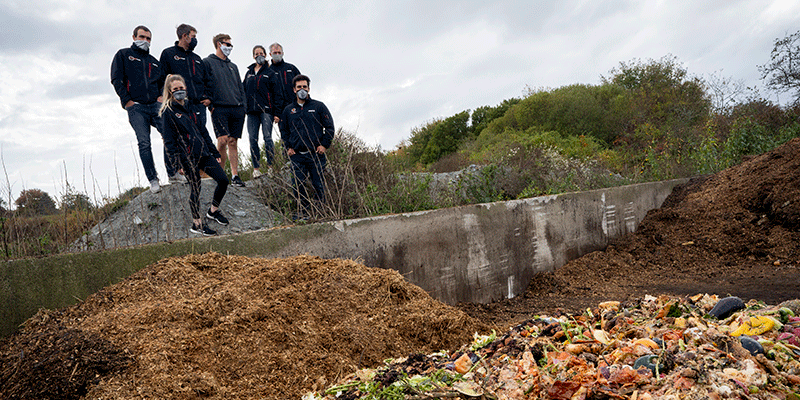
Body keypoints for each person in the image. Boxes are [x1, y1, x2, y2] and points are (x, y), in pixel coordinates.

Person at [111, 25, 179, 193]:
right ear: (134, 37)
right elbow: (116, 78)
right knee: (144, 143)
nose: (145, 41)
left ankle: (173, 173)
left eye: (148, 38)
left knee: (171, 134)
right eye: (142, 37)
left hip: (155, 105)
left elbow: (163, 81)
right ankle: (153, 179)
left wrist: (161, 97)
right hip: (136, 108)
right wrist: (127, 101)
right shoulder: (123, 55)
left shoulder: (154, 62)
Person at [159, 74, 230, 236]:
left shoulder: (192, 107)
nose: (179, 91)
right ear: (170, 91)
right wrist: (177, 164)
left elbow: (203, 131)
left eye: (181, 88)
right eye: (175, 89)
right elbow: (169, 141)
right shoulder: (168, 112)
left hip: (203, 153)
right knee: (195, 188)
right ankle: (196, 224)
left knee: (223, 180)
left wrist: (214, 151)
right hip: (187, 157)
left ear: (185, 88)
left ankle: (213, 211)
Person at [279, 74, 335, 219]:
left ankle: (321, 212)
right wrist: (288, 147)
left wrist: (324, 145)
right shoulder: (288, 110)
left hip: (316, 154)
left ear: (309, 88)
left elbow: (329, 127)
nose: (302, 89)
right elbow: (283, 131)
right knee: (298, 186)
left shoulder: (319, 106)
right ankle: (302, 213)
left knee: (319, 185)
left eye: (304, 87)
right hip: (297, 155)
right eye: (299, 87)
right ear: (294, 90)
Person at [203, 33, 246, 187]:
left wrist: (243, 107)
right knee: (222, 141)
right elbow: (203, 83)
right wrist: (210, 103)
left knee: (233, 142)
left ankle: (235, 175)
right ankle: (219, 175)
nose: (229, 47)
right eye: (226, 44)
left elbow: (240, 88)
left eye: (230, 44)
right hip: (219, 107)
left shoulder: (233, 66)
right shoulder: (207, 62)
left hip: (237, 108)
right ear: (218, 44)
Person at [159, 23, 211, 130]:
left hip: (198, 105)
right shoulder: (168, 54)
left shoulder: (197, 59)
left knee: (200, 136)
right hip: (178, 104)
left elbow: (206, 80)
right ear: (184, 36)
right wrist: (164, 97)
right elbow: (162, 78)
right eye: (193, 37)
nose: (195, 40)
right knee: (179, 135)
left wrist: (208, 98)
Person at [244, 45, 283, 178]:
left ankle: (271, 166)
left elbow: (277, 94)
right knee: (252, 139)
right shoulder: (248, 73)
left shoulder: (270, 72)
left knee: (267, 138)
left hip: (266, 110)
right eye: (256, 53)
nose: (258, 55)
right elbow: (243, 91)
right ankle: (256, 168)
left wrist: (277, 113)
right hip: (251, 111)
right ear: (253, 56)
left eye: (261, 53)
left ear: (265, 55)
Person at [268, 43, 301, 122]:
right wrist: (275, 113)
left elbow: (302, 85)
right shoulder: (268, 71)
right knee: (284, 132)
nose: (277, 54)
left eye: (279, 53)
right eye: (275, 53)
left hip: (295, 106)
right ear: (270, 54)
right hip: (279, 111)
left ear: (283, 53)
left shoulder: (291, 68)